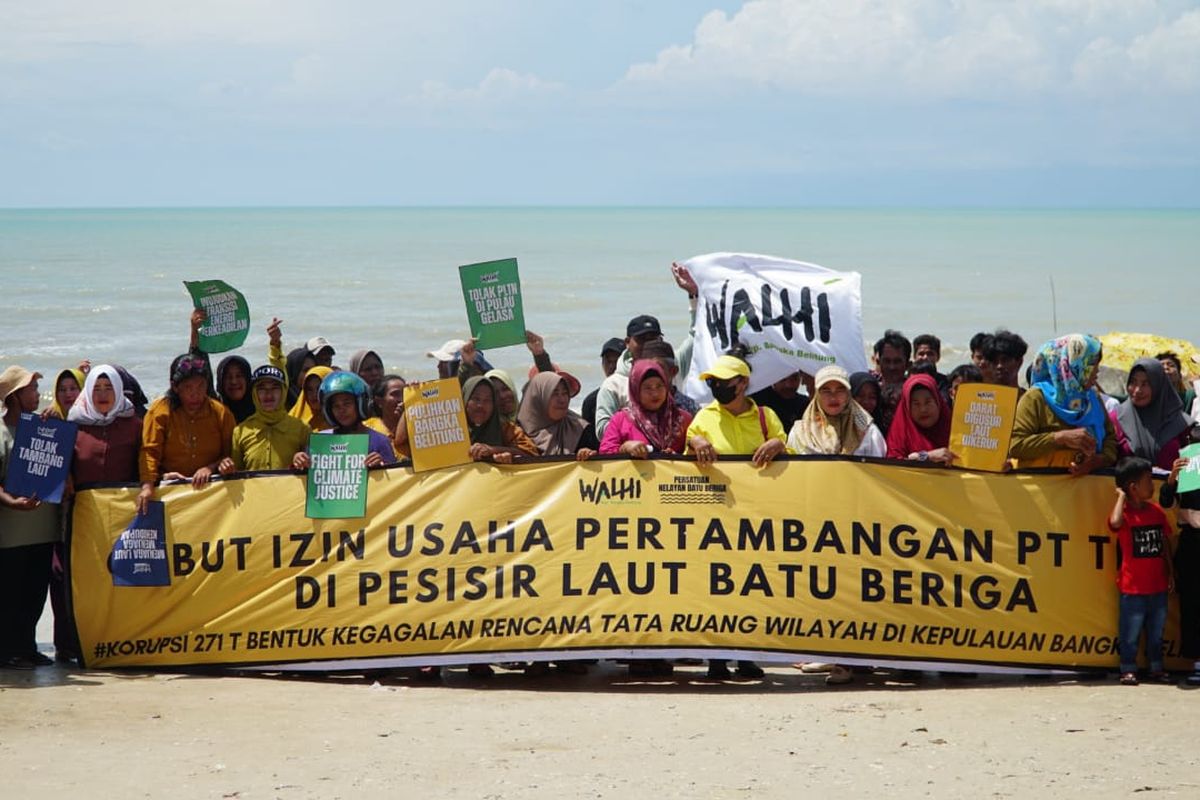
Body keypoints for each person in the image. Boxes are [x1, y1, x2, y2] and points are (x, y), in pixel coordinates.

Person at [686, 348, 787, 681]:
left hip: (755, 517)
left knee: (752, 587)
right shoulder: (704, 417)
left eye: (723, 381)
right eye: (713, 381)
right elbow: (686, 446)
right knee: (715, 588)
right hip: (714, 516)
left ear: (742, 383)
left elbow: (790, 450)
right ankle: (715, 659)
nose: (717, 386)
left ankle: (746, 657)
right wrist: (696, 441)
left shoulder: (765, 417)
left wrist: (778, 445)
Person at [0, 366, 60, 669]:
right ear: (15, 395)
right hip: (10, 533)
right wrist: (11, 502)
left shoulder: (40, 426)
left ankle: (27, 647)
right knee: (9, 596)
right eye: (31, 389)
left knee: (36, 594)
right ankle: (7, 650)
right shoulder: (1, 434)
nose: (37, 394)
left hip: (43, 528)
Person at [137, 353, 235, 515]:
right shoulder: (159, 412)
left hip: (210, 492)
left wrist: (211, 468)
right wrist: (150, 485)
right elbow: (149, 452)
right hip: (170, 489)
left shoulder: (221, 413)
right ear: (175, 387)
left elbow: (229, 454)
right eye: (188, 387)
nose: (195, 394)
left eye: (201, 386)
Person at [1009, 334, 1118, 475]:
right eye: (1091, 365)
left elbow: (1110, 439)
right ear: (1071, 365)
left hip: (1086, 489)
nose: (1097, 372)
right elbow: (1017, 445)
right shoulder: (1036, 398)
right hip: (1044, 488)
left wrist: (1097, 461)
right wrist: (1060, 438)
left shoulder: (1093, 398)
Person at [1108, 457, 1173, 685]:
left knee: (1156, 633)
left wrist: (1171, 573)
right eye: (1148, 481)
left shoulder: (1156, 512)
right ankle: (1128, 668)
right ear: (1133, 488)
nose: (1152, 485)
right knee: (1130, 632)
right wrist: (1121, 497)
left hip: (1158, 585)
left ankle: (1156, 667)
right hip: (1132, 588)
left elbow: (1164, 543)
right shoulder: (1125, 515)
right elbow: (1115, 523)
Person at [219, 365, 311, 473]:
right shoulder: (240, 432)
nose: (268, 394)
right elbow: (236, 476)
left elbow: (314, 473)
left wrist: (303, 460)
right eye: (261, 389)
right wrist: (226, 468)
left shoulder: (302, 429)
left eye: (275, 388)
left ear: (284, 392)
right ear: (254, 393)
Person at [294, 371, 395, 467]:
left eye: (347, 403)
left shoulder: (380, 442)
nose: (341, 410)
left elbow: (393, 482)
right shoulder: (319, 442)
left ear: (360, 404)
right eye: (336, 406)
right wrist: (299, 462)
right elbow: (307, 478)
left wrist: (381, 466)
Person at [1112, 358, 1197, 470]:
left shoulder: (1181, 423)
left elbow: (1193, 469)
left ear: (1159, 385)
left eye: (1145, 384)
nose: (1137, 390)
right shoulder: (1116, 419)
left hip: (1172, 486)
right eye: (1133, 382)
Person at [788, 365, 886, 459]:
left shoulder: (867, 431)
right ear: (817, 395)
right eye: (826, 391)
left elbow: (877, 471)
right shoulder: (800, 432)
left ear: (848, 394)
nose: (833, 397)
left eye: (840, 390)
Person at [599, 360, 692, 457]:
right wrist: (624, 448)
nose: (655, 393)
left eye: (659, 386)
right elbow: (605, 455)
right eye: (647, 388)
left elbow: (694, 453)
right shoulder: (620, 420)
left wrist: (689, 448)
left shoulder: (683, 420)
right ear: (636, 390)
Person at [1162, 452, 1200, 686]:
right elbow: (1166, 501)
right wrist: (1172, 478)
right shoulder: (1189, 466)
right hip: (1192, 543)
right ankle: (1196, 663)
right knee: (1192, 604)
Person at [517, 372, 595, 459]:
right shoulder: (516, 433)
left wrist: (588, 454)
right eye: (554, 394)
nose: (562, 400)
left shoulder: (580, 430)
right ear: (538, 398)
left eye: (565, 393)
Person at [461, 376, 539, 463]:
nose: (481, 405)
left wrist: (494, 450)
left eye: (487, 400)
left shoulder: (507, 429)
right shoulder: (452, 431)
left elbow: (532, 455)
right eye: (476, 399)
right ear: (465, 399)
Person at [885, 374, 956, 465]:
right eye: (916, 404)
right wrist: (926, 457)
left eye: (928, 402)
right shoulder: (900, 433)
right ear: (907, 407)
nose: (923, 410)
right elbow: (891, 467)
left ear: (938, 401)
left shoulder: (955, 430)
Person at [872, 329, 911, 435]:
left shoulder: (914, 394)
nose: (891, 367)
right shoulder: (869, 392)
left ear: (908, 364)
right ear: (879, 362)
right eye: (887, 361)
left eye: (897, 361)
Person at [581, 338, 625, 430]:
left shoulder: (637, 396)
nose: (612, 366)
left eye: (617, 361)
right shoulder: (591, 402)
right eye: (608, 361)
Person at [290, 365, 334, 431]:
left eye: (319, 389)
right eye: (309, 389)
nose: (314, 395)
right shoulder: (292, 421)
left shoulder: (343, 419)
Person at [216, 355, 255, 423]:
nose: (234, 381)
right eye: (228, 377)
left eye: (239, 376)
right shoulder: (214, 414)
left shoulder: (264, 410)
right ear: (221, 382)